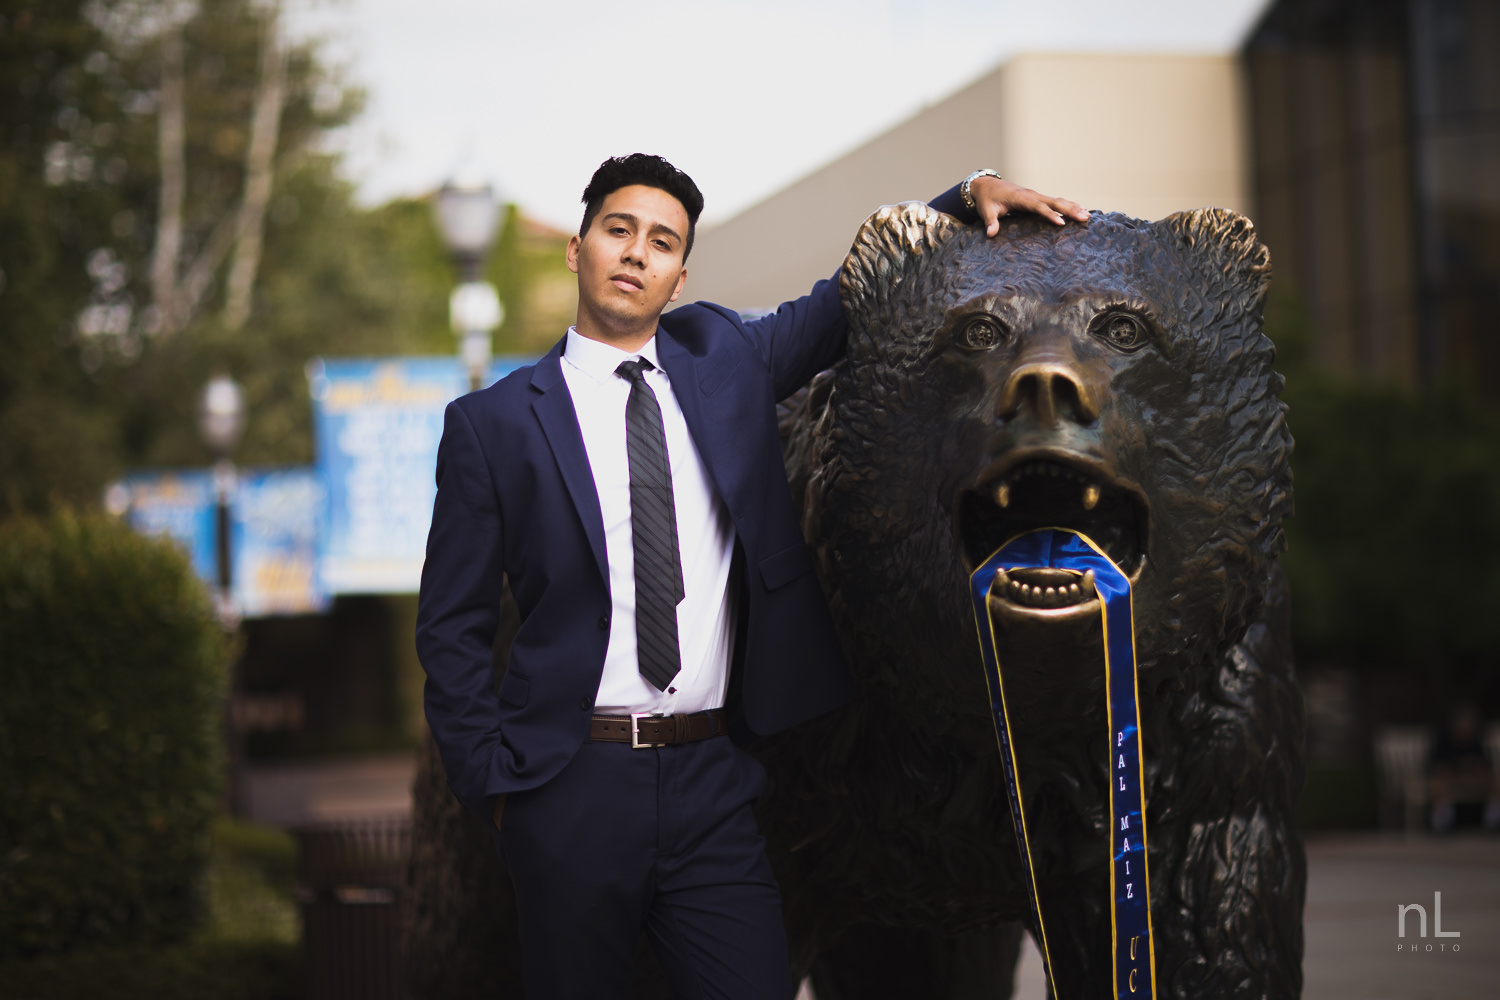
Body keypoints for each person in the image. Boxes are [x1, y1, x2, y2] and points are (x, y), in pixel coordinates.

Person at [416, 153, 1087, 999]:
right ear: (578, 248)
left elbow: (847, 293)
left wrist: (962, 196)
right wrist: (502, 792)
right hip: (571, 786)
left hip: (712, 784)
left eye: (661, 242)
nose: (636, 253)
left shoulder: (722, 359)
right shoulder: (493, 425)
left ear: (679, 273)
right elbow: (450, 630)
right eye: (618, 230)